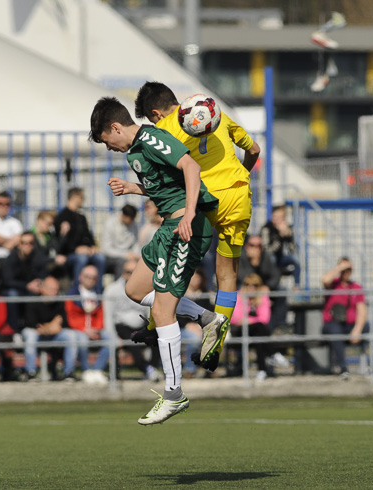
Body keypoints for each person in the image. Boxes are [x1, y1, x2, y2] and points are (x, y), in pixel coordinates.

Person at [90, 96, 225, 424]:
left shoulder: (151, 139)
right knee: (135, 289)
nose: (109, 148)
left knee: (163, 311)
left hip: (186, 229)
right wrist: (133, 188)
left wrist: (189, 214)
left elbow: (191, 168)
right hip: (168, 229)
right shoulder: (135, 152)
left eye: (107, 141)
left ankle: (174, 394)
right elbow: (166, 187)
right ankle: (207, 318)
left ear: (115, 127)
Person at [135, 81, 262, 371]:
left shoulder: (163, 130)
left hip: (202, 202)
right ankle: (215, 345)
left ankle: (155, 326)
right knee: (227, 275)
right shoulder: (213, 112)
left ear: (155, 113)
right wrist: (239, 175)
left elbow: (163, 181)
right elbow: (254, 149)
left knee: (171, 268)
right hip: (238, 196)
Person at [321, 257, 373, 379]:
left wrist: (357, 330)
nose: (346, 272)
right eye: (344, 270)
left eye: (349, 269)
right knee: (335, 331)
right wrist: (340, 267)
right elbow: (325, 279)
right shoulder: (333, 285)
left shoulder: (356, 287)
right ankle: (343, 368)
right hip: (333, 324)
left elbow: (362, 311)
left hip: (351, 325)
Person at [103, 258, 161, 382]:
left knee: (158, 336)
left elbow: (149, 312)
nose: (131, 274)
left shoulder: (146, 288)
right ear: (123, 272)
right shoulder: (112, 290)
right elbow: (108, 317)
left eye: (134, 271)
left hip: (141, 323)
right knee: (133, 340)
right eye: (128, 272)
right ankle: (147, 370)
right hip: (121, 326)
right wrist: (112, 337)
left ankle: (152, 368)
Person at [22, 275, 81, 381]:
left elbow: (63, 324)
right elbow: (32, 324)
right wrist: (51, 325)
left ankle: (69, 373)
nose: (54, 293)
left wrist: (48, 328)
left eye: (56, 290)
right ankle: (30, 373)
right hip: (37, 335)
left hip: (53, 335)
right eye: (51, 289)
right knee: (30, 335)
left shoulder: (59, 302)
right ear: (42, 288)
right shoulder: (33, 301)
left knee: (71, 335)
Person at [64, 264, 111, 384]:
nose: (90, 280)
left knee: (111, 339)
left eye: (93, 277)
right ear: (80, 277)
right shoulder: (72, 294)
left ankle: (97, 370)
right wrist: (84, 329)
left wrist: (97, 329)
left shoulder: (99, 294)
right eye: (87, 276)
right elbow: (70, 317)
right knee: (82, 340)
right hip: (79, 330)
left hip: (95, 329)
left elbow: (101, 315)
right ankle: (86, 370)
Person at [54, 187, 107, 291]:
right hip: (69, 255)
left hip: (85, 252)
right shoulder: (62, 217)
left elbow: (88, 235)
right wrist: (75, 249)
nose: (83, 200)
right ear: (75, 197)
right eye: (82, 197)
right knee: (81, 258)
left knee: (100, 258)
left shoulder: (81, 217)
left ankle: (98, 291)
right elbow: (61, 242)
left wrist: (92, 246)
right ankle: (78, 291)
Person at [229, 273, 275, 381]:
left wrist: (249, 320)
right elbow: (236, 319)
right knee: (259, 329)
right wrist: (253, 319)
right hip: (238, 331)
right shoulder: (239, 296)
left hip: (256, 332)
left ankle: (262, 370)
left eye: (254, 285)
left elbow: (265, 319)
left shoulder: (263, 297)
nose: (250, 287)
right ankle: (273, 354)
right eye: (247, 284)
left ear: (259, 286)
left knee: (259, 334)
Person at [0, 231, 49, 332]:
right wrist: (27, 285)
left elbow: (43, 276)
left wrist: (39, 284)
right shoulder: (11, 258)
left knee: (40, 293)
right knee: (12, 295)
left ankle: (32, 328)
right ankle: (14, 330)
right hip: (14, 289)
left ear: (34, 245)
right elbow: (7, 281)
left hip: (31, 289)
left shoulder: (38, 258)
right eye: (24, 243)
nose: (27, 246)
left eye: (30, 243)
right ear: (19, 245)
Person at [260, 205, 301, 288]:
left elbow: (293, 250)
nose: (276, 219)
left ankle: (297, 286)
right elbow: (267, 250)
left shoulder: (287, 228)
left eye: (280, 217)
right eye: (275, 216)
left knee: (295, 259)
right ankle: (273, 284)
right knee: (272, 258)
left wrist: (289, 237)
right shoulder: (267, 228)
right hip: (267, 258)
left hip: (280, 257)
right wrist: (279, 237)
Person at [101, 204, 141, 279]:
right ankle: (120, 285)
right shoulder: (110, 223)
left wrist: (135, 255)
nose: (132, 221)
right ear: (124, 216)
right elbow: (106, 248)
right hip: (112, 257)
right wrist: (125, 255)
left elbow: (136, 244)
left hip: (129, 256)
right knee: (122, 262)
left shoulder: (134, 225)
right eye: (130, 219)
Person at [31, 210, 67, 277]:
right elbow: (36, 257)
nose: (50, 227)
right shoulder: (30, 236)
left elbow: (57, 248)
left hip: (46, 269)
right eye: (48, 223)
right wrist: (54, 259)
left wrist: (63, 235)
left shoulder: (49, 236)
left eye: (51, 224)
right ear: (39, 220)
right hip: (34, 271)